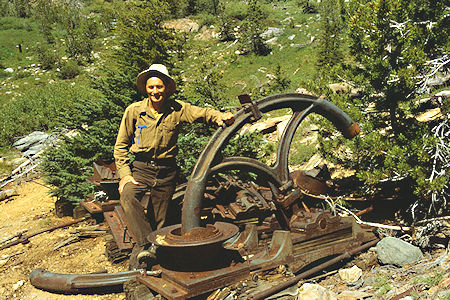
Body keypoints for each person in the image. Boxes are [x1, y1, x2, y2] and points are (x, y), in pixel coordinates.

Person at [114, 64, 234, 269]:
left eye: (159, 87)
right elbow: (120, 146)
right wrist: (125, 174)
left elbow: (202, 113)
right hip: (141, 169)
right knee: (128, 195)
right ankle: (144, 245)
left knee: (160, 218)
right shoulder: (134, 111)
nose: (155, 92)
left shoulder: (177, 110)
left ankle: (155, 254)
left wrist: (219, 117)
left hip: (166, 171)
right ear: (146, 89)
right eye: (151, 87)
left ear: (167, 88)